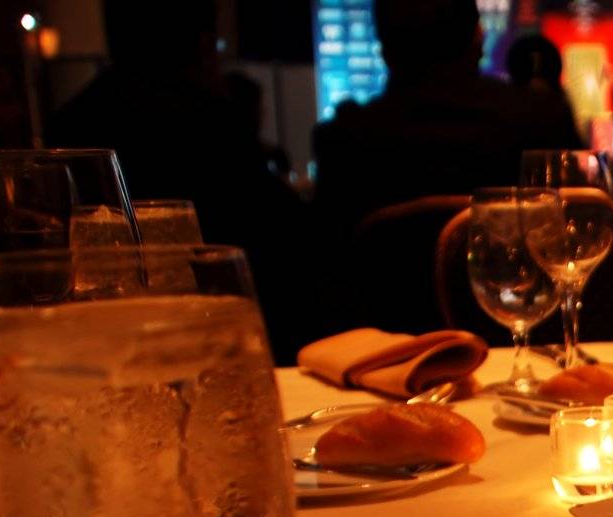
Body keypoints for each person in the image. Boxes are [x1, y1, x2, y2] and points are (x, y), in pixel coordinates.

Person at [52, 0, 316, 362]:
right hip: (217, 339)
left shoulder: (73, 119)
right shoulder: (207, 122)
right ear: (202, 45)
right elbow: (283, 233)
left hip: (94, 345)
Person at [311, 0, 581, 237]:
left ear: (384, 50)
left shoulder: (342, 141)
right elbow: (580, 231)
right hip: (524, 294)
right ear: (479, 39)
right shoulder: (542, 118)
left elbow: (325, 265)